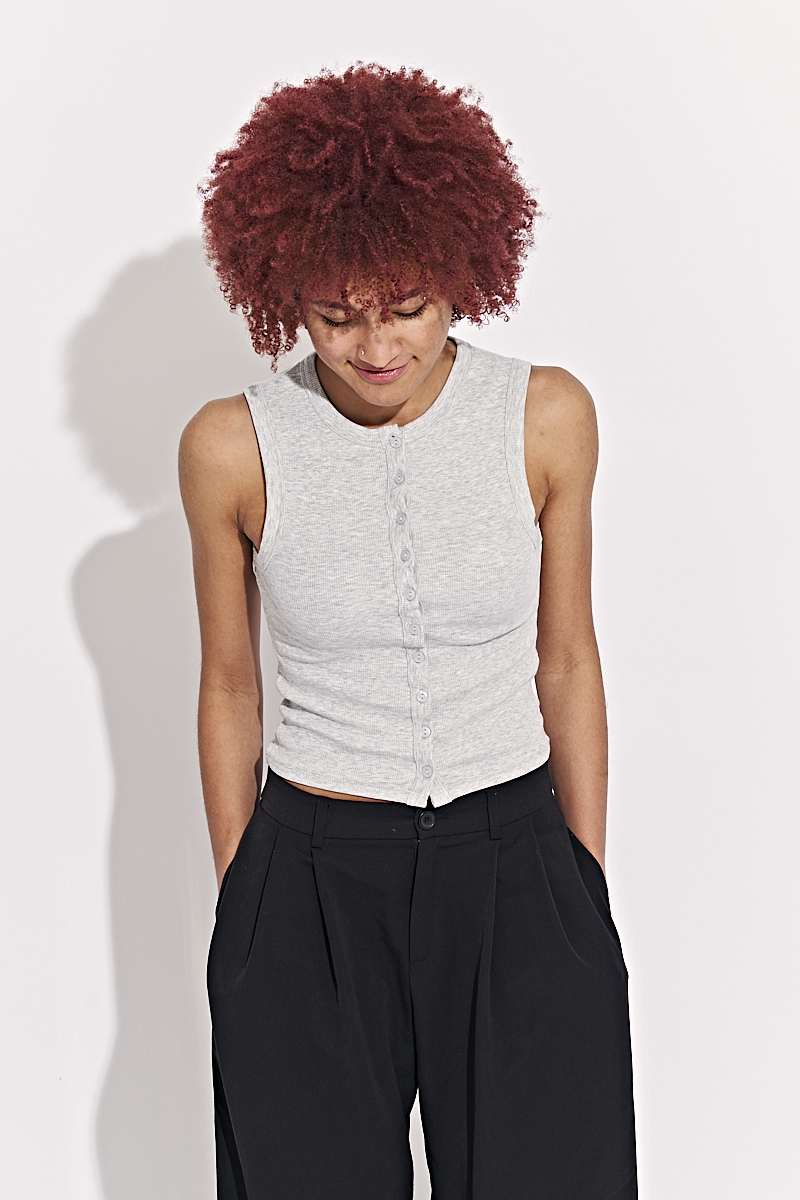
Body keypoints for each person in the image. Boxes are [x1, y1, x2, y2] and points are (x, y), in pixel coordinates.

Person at [179, 63, 637, 1200]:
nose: (375, 345)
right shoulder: (232, 446)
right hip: (311, 882)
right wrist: (245, 902)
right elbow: (229, 683)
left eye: (408, 306)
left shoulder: (544, 415)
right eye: (336, 315)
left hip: (515, 864)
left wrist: (579, 881)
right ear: (285, 287)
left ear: (461, 272)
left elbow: (568, 656)